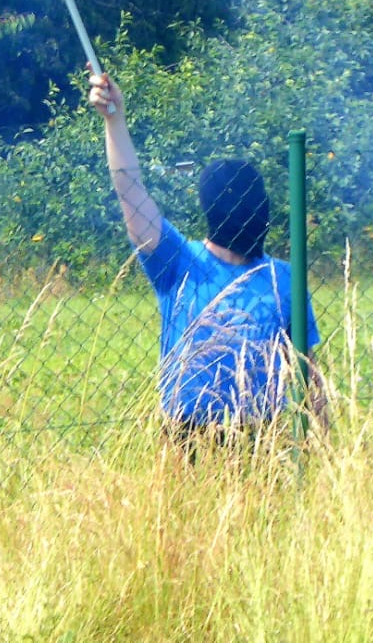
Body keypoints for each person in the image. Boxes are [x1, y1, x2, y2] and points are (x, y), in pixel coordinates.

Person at [87, 70, 321, 447]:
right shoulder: (177, 262)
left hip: (263, 440)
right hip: (186, 438)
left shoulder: (284, 280)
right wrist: (115, 121)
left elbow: (310, 377)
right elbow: (130, 190)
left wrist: (321, 450)